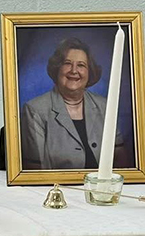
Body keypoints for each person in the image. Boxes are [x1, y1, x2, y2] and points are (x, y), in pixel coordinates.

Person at [20, 36, 125, 171]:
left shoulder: (104, 106)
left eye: (81, 65)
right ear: (57, 69)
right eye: (67, 63)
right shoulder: (35, 110)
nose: (74, 70)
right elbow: (34, 168)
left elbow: (120, 158)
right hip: (58, 183)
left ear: (90, 72)